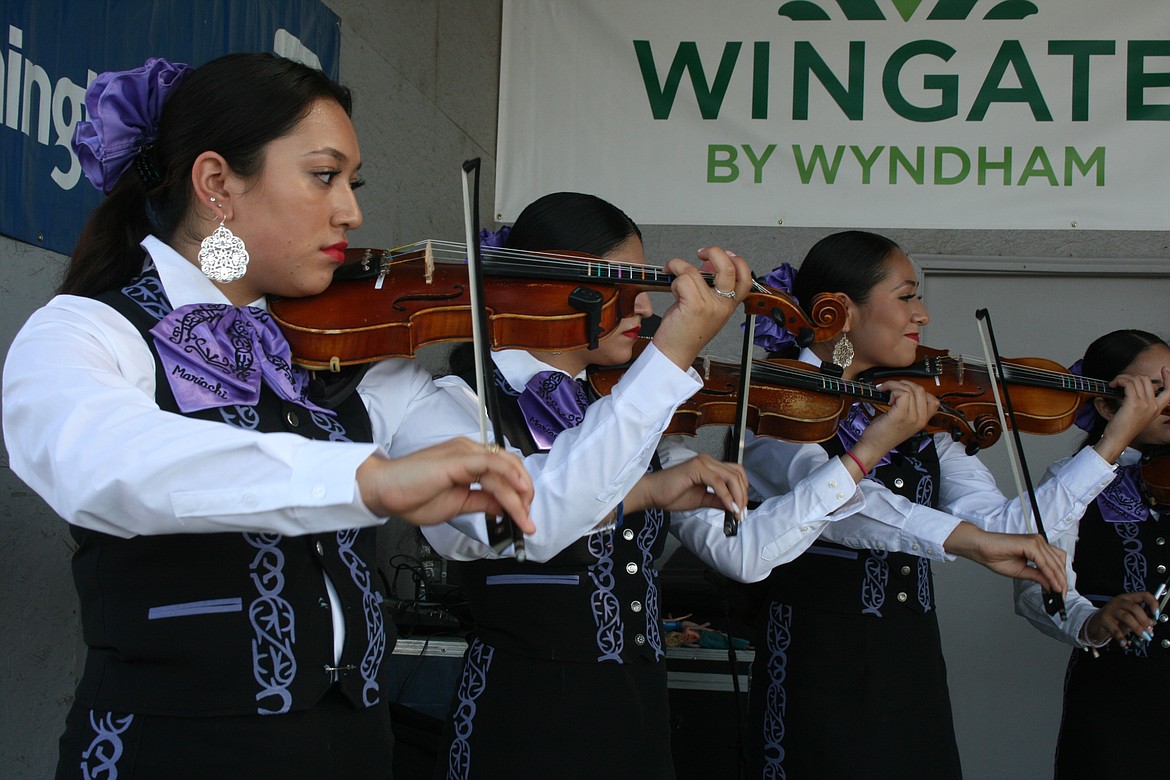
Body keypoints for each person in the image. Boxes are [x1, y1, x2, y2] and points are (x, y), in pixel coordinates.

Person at [1, 56, 745, 780]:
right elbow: (100, 464)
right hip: (173, 750)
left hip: (353, 745)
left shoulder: (361, 363)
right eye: (324, 177)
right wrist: (367, 479)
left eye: (352, 183)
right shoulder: (87, 331)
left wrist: (667, 360)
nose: (352, 211)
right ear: (217, 184)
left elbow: (538, 516)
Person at [425, 194, 945, 780]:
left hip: (638, 715)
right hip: (523, 721)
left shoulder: (626, 409)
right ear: (550, 283)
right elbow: (531, 518)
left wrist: (864, 454)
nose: (644, 306)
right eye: (621, 284)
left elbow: (746, 554)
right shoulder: (461, 406)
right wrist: (667, 381)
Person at [739, 230, 1159, 780]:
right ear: (839, 312)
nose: (923, 316)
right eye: (908, 296)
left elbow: (1010, 526)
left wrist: (1110, 444)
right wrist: (974, 542)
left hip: (909, 657)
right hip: (818, 660)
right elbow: (846, 510)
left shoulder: (919, 414)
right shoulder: (780, 407)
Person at [1015, 329, 1170, 780]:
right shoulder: (1072, 483)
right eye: (1154, 391)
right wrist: (1092, 620)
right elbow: (1033, 589)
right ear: (1106, 406)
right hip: (1115, 706)